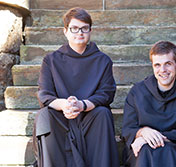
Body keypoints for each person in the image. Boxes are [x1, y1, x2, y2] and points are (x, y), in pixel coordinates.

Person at [33, 7, 120, 167]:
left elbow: (106, 93)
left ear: (90, 31)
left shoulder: (103, 60)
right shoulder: (51, 60)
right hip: (61, 116)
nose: (80, 32)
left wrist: (82, 105)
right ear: (65, 31)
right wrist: (65, 105)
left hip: (90, 115)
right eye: (74, 28)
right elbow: (44, 94)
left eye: (84, 28)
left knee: (103, 113)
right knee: (44, 116)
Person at [122, 41, 176, 167]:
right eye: (157, 65)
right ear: (153, 66)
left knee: (167, 151)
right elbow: (128, 130)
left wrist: (152, 137)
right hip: (142, 153)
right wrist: (142, 132)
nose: (163, 70)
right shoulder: (137, 92)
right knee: (145, 151)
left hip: (175, 151)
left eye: (168, 64)